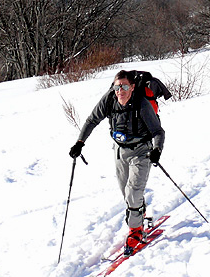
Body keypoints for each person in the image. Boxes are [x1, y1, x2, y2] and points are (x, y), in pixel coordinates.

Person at [69, 70, 166, 255]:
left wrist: (157, 150)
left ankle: (136, 230)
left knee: (133, 191)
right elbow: (92, 119)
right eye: (117, 87)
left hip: (142, 151)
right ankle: (140, 212)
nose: (120, 90)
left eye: (124, 86)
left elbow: (158, 132)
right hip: (120, 151)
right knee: (126, 191)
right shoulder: (109, 100)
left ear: (132, 87)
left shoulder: (142, 104)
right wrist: (80, 143)